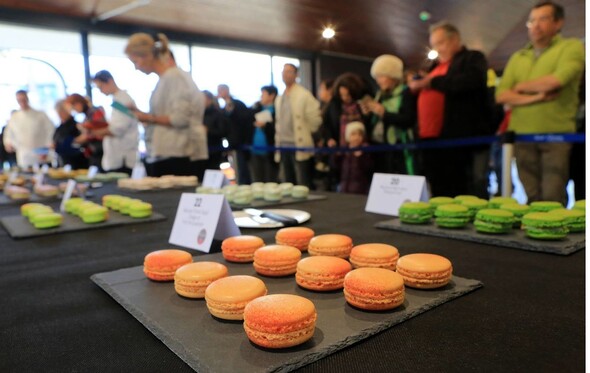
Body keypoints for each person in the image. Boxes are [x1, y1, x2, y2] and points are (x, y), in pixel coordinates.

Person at [496, 1, 584, 204]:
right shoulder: (518, 56)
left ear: (558, 23)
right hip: (522, 135)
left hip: (556, 135)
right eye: (531, 20)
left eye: (543, 19)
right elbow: (501, 95)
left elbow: (556, 81)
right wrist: (537, 96)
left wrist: (519, 88)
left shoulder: (571, 47)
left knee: (553, 196)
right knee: (530, 194)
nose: (535, 25)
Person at [408, 21, 491, 198]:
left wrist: (431, 82)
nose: (437, 49)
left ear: (455, 40)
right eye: (434, 45)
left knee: (462, 188)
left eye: (440, 43)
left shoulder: (472, 58)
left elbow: (471, 82)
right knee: (438, 188)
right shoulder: (434, 67)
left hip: (458, 139)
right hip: (430, 140)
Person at [124, 32, 208, 177]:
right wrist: (143, 115)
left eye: (135, 62)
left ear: (147, 56)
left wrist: (148, 118)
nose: (136, 68)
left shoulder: (174, 77)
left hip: (179, 153)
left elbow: (180, 119)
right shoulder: (165, 79)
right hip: (170, 153)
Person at [361, 54, 417, 175]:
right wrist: (367, 114)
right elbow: (374, 124)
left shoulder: (405, 93)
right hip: (380, 148)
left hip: (399, 149)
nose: (378, 80)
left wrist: (383, 113)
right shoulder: (380, 95)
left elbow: (408, 120)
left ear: (393, 76)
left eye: (381, 76)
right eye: (377, 77)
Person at [274, 63, 322, 188]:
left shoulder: (304, 94)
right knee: (287, 181)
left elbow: (315, 119)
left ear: (296, 75)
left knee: (303, 182)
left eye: (289, 71)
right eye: (283, 71)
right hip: (283, 144)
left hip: (299, 144)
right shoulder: (280, 97)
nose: (285, 74)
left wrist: (307, 132)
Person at [322, 72, 371, 191]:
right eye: (342, 95)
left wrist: (368, 115)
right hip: (340, 151)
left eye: (348, 95)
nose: (345, 98)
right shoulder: (334, 105)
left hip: (360, 151)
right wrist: (329, 139)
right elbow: (326, 125)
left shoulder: (362, 105)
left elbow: (369, 126)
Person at [91, 70, 139, 175]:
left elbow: (118, 128)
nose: (101, 91)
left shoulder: (122, 100)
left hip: (122, 157)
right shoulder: (117, 99)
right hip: (118, 155)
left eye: (101, 87)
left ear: (110, 81)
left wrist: (95, 132)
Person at [3, 90, 55, 169]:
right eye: (19, 100)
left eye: (23, 99)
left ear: (27, 98)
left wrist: (47, 148)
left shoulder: (40, 114)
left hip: (42, 155)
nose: (22, 102)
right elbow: (8, 134)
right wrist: (8, 143)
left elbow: (50, 131)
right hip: (24, 157)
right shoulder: (15, 117)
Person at [217, 84, 253, 184]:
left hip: (241, 143)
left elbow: (243, 123)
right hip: (233, 143)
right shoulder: (225, 107)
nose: (219, 93)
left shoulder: (237, 104)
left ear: (226, 90)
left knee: (243, 170)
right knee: (237, 169)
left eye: (220, 90)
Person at [65, 93, 108, 170]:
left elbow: (100, 131)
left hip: (101, 151)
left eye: (73, 107)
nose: (74, 110)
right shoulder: (87, 116)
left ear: (78, 103)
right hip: (94, 153)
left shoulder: (95, 112)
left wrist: (75, 140)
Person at [250, 85, 278, 182]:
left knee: (270, 179)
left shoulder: (277, 110)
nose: (261, 97)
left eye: (264, 94)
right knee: (257, 179)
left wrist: (265, 126)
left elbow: (276, 129)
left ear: (272, 96)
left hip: (270, 150)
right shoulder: (257, 108)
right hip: (256, 150)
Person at [336, 121, 373, 194]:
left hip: (360, 190)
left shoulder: (365, 151)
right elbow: (335, 166)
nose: (357, 137)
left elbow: (368, 168)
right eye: (353, 134)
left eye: (360, 134)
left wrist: (360, 157)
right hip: (344, 188)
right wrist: (336, 156)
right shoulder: (344, 151)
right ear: (348, 136)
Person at [52, 99, 88, 169]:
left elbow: (80, 143)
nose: (60, 114)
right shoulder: (59, 127)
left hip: (76, 162)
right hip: (63, 161)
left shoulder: (76, 125)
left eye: (61, 111)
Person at [202, 90, 229, 171]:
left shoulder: (217, 113)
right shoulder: (198, 114)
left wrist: (208, 131)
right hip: (201, 150)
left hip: (214, 151)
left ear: (209, 99)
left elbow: (223, 131)